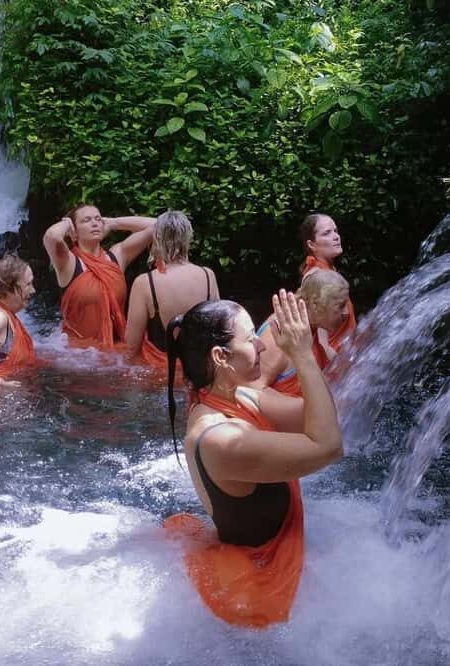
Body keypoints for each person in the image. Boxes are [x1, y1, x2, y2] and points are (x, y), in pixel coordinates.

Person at [164, 293, 342, 628]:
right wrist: (302, 355)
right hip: (259, 586)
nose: (262, 346)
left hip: (275, 557)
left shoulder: (240, 395)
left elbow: (321, 419)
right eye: (251, 338)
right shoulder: (219, 438)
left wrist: (303, 355)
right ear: (221, 356)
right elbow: (329, 446)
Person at [43, 204, 155, 349]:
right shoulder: (69, 263)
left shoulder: (118, 256)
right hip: (79, 357)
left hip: (116, 352)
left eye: (98, 219)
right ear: (74, 232)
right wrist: (66, 223)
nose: (95, 223)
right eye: (86, 220)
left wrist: (113, 223)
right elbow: (52, 237)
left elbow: (160, 225)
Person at [125, 210, 219, 367]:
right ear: (188, 238)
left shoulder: (144, 283)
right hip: (199, 372)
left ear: (157, 239)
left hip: (159, 377)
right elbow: (218, 330)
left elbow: (131, 347)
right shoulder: (208, 275)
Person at [253, 270, 350, 396]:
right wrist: (304, 408)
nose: (347, 312)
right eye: (341, 306)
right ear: (316, 304)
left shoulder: (315, 326)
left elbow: (328, 357)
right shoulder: (279, 335)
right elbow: (252, 391)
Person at [299, 213, 357, 350]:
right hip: (337, 363)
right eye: (326, 233)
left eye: (335, 231)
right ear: (312, 244)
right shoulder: (316, 276)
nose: (336, 237)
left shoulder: (328, 270)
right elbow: (322, 341)